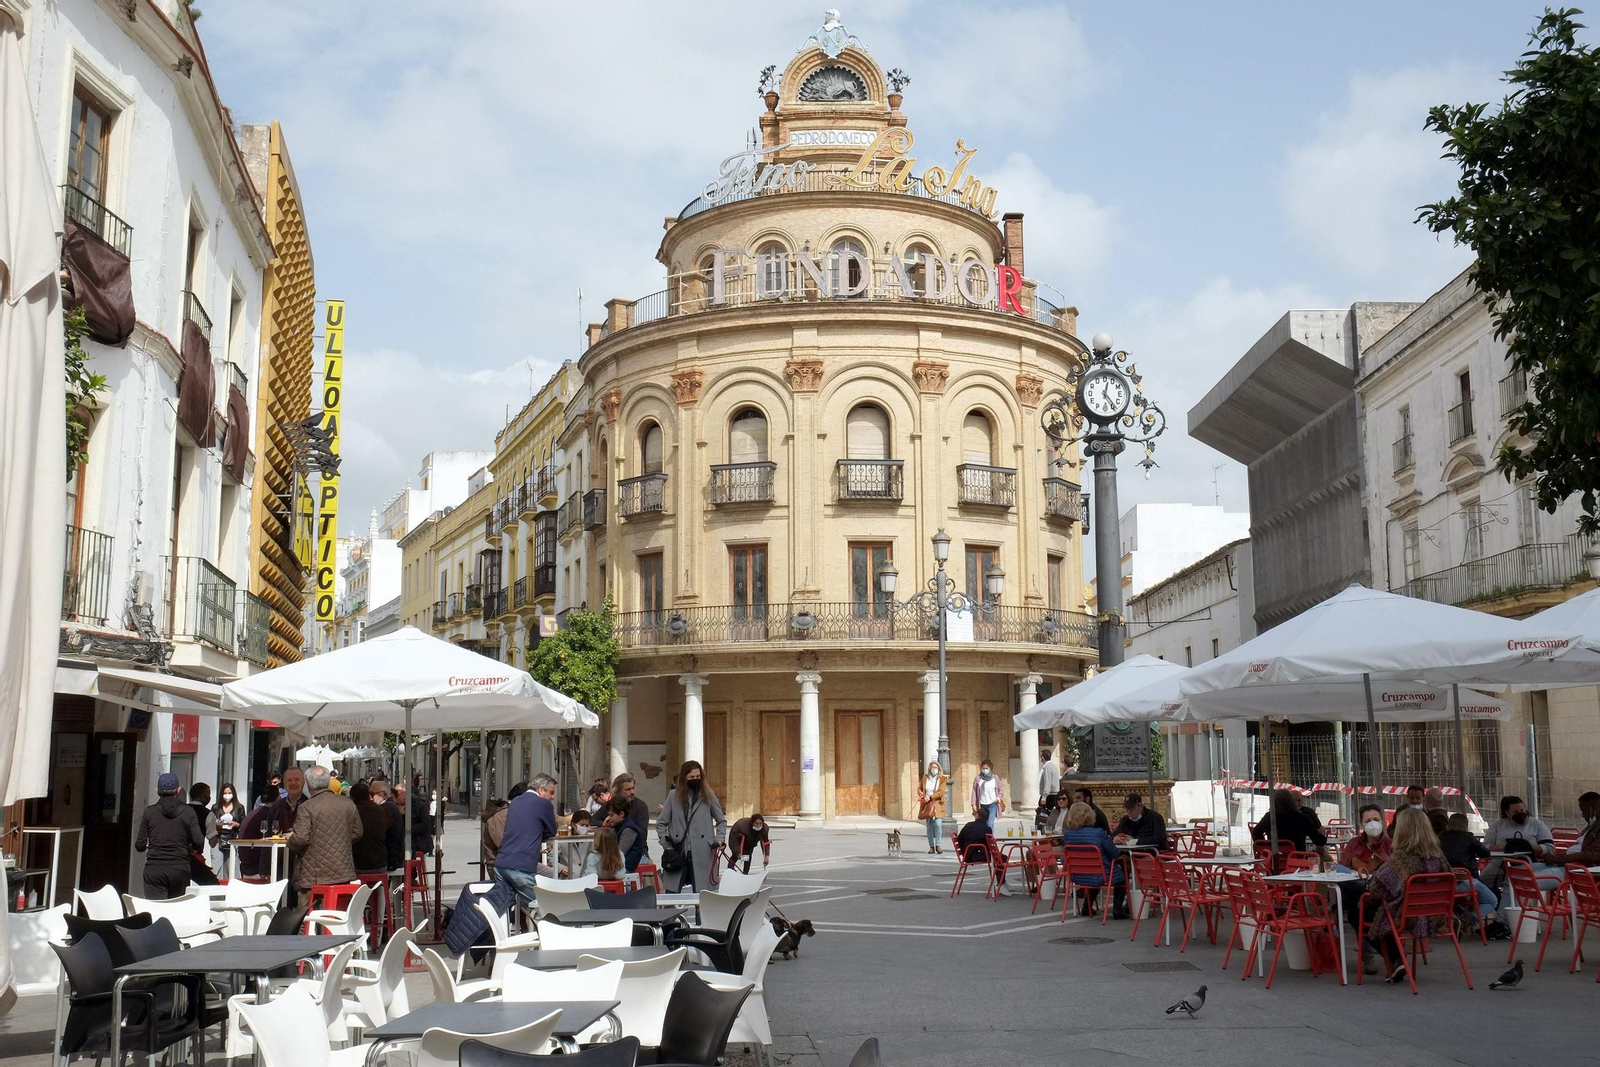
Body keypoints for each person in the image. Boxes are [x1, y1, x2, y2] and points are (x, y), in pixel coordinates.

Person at [1361, 806, 1452, 984]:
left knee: (1362, 910)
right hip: (1437, 916)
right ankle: (1395, 961)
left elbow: (1377, 889)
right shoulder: (1440, 857)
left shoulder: (1400, 860)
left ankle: (1395, 960)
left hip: (1408, 917)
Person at [287, 766, 362, 901]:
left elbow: (300, 839)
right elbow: (357, 833)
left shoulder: (307, 807)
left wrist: (289, 840)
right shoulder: (348, 803)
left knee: (309, 916)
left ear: (307, 783)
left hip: (314, 874)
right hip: (343, 871)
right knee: (338, 914)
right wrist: (339, 841)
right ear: (328, 782)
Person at [656, 760, 727, 892]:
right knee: (671, 892)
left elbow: (721, 821)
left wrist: (719, 838)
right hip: (678, 851)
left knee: (703, 894)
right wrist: (667, 845)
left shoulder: (708, 795)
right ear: (684, 778)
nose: (696, 780)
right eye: (692, 777)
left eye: (698, 777)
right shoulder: (673, 796)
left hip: (703, 852)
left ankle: (701, 913)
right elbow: (661, 823)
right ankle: (670, 913)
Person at [135, 772, 203, 898]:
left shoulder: (149, 812)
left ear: (157, 791)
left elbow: (140, 845)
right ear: (178, 790)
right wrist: (190, 847)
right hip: (180, 869)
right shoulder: (188, 812)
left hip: (155, 869)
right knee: (175, 911)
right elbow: (199, 841)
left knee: (157, 910)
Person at [495, 774, 559, 905]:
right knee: (543, 908)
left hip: (501, 863)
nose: (552, 797)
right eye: (551, 793)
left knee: (506, 907)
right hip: (521, 867)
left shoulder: (516, 801)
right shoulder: (543, 804)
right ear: (541, 790)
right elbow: (552, 830)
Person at [1061, 801, 1126, 917]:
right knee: (1122, 872)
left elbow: (1063, 857)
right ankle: (1117, 909)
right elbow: (1115, 853)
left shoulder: (1068, 835)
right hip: (1101, 874)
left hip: (1078, 875)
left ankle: (1087, 907)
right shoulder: (1099, 833)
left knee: (1094, 872)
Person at [1482, 794, 1556, 892]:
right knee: (1482, 881)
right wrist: (1503, 847)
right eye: (1515, 812)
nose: (1520, 813)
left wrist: (1527, 847)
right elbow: (1486, 846)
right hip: (1500, 863)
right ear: (1507, 813)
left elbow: (1549, 847)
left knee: (1516, 882)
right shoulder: (1498, 825)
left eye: (1522, 811)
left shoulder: (1536, 824)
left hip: (1528, 863)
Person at [1440, 812, 1498, 924]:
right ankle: (1467, 922)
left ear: (1449, 826)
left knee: (1461, 898)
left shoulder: (1440, 837)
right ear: (1465, 827)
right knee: (1491, 901)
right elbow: (1485, 853)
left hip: (1444, 883)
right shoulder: (1468, 837)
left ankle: (1459, 916)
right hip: (1466, 881)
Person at [1250, 788, 1328, 861]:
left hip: (1275, 861)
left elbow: (1255, 833)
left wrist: (1266, 846)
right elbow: (1319, 841)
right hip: (1297, 860)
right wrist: (1323, 836)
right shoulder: (1301, 817)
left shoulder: (1269, 817)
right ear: (1292, 802)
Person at [956, 807, 1011, 896]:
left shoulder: (968, 825)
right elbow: (988, 847)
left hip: (967, 855)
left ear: (978, 815)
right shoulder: (987, 829)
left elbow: (959, 839)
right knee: (1002, 858)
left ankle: (1002, 883)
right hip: (976, 855)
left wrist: (964, 851)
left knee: (998, 857)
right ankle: (1001, 883)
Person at [349, 781, 392, 876]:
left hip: (357, 864)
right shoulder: (379, 810)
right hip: (379, 862)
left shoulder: (351, 811)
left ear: (352, 797)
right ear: (368, 795)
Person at [482, 782, 525, 875]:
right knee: (550, 874)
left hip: (516, 864)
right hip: (502, 867)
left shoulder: (514, 812)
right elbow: (505, 844)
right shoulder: (501, 815)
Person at [612, 773, 652, 859]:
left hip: (637, 853)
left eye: (633, 788)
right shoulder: (612, 805)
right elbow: (594, 820)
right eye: (628, 789)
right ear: (618, 791)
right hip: (613, 850)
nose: (632, 792)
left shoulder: (640, 806)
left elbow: (642, 834)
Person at [370, 778, 406, 871]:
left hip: (391, 855)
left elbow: (381, 829)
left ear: (383, 794)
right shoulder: (389, 806)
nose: (370, 797)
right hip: (393, 853)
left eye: (372, 794)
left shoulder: (387, 808)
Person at [603, 795, 647, 873]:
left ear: (621, 814)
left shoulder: (629, 829)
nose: (609, 818)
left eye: (611, 815)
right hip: (619, 865)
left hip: (625, 866)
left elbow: (620, 852)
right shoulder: (618, 826)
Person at [916, 761, 946, 854]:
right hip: (927, 804)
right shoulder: (925, 777)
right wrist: (921, 793)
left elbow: (941, 792)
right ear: (929, 768)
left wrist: (931, 796)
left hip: (937, 803)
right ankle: (931, 846)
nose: (934, 769)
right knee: (929, 826)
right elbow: (919, 788)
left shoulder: (942, 779)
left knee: (938, 824)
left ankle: (938, 845)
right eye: (932, 767)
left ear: (938, 769)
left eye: (935, 767)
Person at [212, 782, 243, 871]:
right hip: (218, 839)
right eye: (225, 793)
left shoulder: (239, 807)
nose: (227, 795)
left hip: (232, 839)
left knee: (232, 867)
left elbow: (243, 823)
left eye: (229, 793)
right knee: (217, 867)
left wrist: (236, 824)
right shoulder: (216, 807)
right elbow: (210, 823)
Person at [268, 768, 307, 835]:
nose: (293, 783)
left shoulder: (310, 806)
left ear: (304, 781)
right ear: (283, 783)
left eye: (297, 779)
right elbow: (268, 833)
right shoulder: (276, 807)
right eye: (289, 780)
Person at [971, 760, 1004, 830]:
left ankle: (990, 839)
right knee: (982, 822)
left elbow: (1001, 790)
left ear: (990, 769)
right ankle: (984, 838)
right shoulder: (978, 778)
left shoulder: (995, 778)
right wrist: (973, 804)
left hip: (992, 804)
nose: (985, 770)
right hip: (982, 804)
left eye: (987, 768)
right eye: (983, 768)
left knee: (990, 823)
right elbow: (974, 791)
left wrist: (998, 798)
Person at [1570, 791, 1600, 866]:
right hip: (1574, 865)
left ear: (1592, 809)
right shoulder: (1591, 826)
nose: (1583, 815)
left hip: (1583, 869)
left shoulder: (1597, 828)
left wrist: (1558, 859)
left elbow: (1592, 855)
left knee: (1538, 875)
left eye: (1583, 810)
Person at [1038, 751, 1061, 829]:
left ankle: (1046, 829)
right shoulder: (1053, 766)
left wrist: (1044, 796)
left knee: (1045, 815)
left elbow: (1047, 782)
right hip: (1053, 793)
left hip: (1050, 795)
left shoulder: (1047, 767)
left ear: (1043, 758)